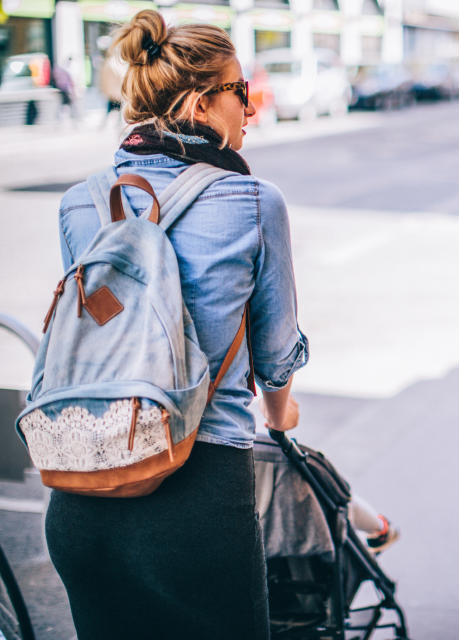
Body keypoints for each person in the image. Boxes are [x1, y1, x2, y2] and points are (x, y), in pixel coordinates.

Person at [44, 10, 308, 640]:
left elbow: (98, 334)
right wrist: (280, 413)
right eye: (239, 92)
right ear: (199, 103)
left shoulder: (79, 201)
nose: (250, 109)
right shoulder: (252, 201)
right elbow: (274, 358)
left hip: (82, 490)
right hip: (195, 498)